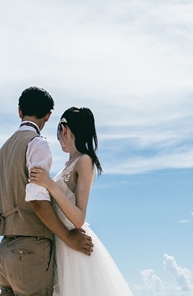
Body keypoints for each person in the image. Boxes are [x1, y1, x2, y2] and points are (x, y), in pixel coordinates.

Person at [0, 87, 94, 296]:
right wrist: (68, 238)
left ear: (19, 111)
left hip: (4, 250)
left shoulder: (1, 152)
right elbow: (37, 201)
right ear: (48, 116)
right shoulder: (36, 144)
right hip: (30, 251)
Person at [29, 106, 134, 296]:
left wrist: (50, 185)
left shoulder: (84, 160)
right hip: (62, 245)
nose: (58, 138)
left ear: (65, 129)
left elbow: (79, 218)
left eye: (58, 132)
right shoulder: (68, 164)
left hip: (74, 248)